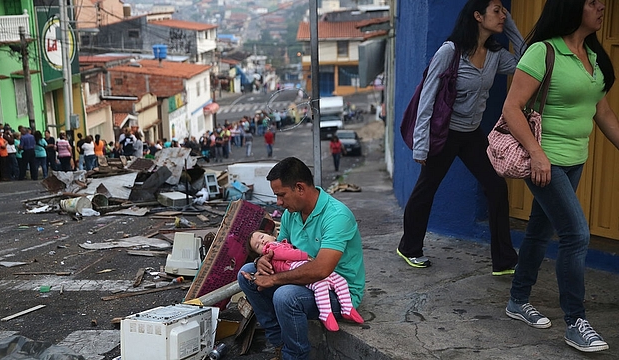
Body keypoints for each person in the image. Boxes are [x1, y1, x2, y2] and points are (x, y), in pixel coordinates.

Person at [502, 0, 618, 353]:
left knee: (539, 229)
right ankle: (576, 322)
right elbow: (511, 108)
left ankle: (517, 300)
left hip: (574, 161)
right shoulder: (542, 52)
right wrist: (537, 155)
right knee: (577, 235)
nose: (602, 8)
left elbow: (604, 112)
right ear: (571, 7)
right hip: (545, 162)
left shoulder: (592, 56)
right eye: (593, 2)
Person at [396, 0, 522, 275]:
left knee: (496, 187)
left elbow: (526, 64)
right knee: (426, 190)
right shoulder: (450, 52)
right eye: (497, 11)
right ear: (478, 16)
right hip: (445, 133)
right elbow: (427, 99)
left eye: (504, 11)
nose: (501, 15)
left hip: (472, 134)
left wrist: (510, 25)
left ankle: (504, 260)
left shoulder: (495, 55)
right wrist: (421, 146)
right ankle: (410, 247)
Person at [238, 157, 365, 360]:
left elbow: (321, 270)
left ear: (300, 188)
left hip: (337, 290)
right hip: (306, 281)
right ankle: (279, 341)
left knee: (285, 296)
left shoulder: (337, 216)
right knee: (246, 274)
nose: (278, 202)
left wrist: (273, 279)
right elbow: (279, 251)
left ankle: (295, 356)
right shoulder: (291, 213)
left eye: (281, 195)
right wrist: (261, 262)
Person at [247, 231, 364, 332]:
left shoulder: (280, 242)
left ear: (272, 235)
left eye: (262, 237)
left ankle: (347, 308)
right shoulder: (272, 247)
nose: (262, 242)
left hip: (312, 269)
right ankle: (325, 314)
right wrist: (305, 256)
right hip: (295, 267)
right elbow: (288, 254)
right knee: (319, 284)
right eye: (257, 245)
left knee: (340, 280)